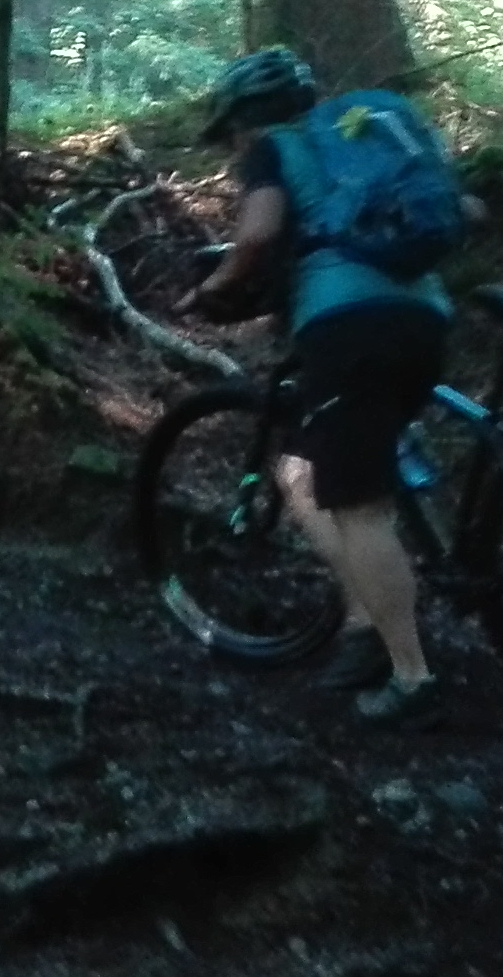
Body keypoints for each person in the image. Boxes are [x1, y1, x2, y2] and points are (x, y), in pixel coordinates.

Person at [178, 46, 456, 726]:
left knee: (360, 506)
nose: (232, 149)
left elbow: (258, 236)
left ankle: (412, 678)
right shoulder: (359, 138)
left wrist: (213, 287)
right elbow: (465, 206)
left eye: (229, 134)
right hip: (424, 317)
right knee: (305, 472)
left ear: (244, 121)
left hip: (346, 329)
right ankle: (364, 622)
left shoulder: (273, 149)